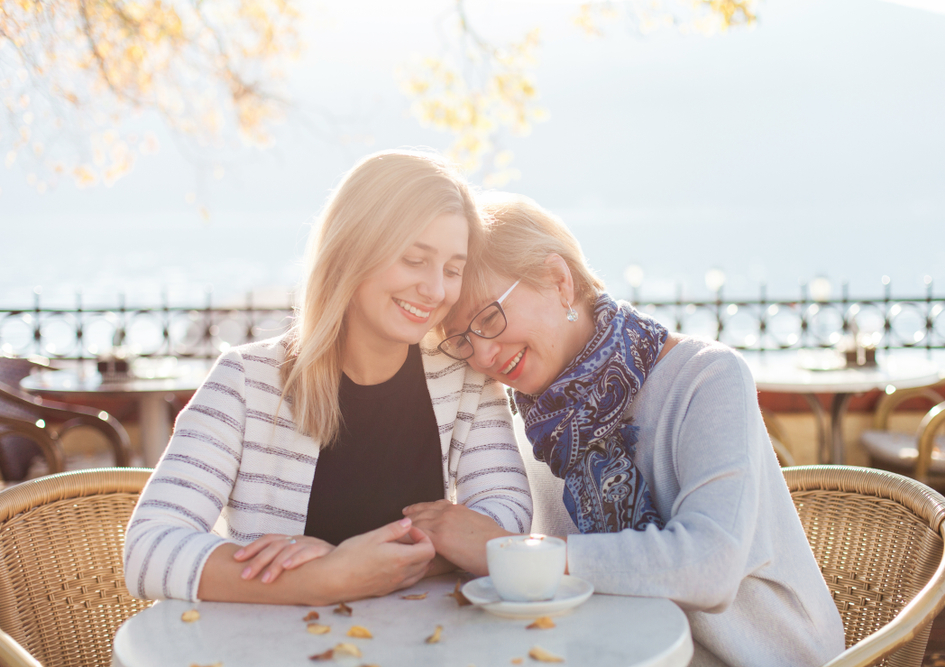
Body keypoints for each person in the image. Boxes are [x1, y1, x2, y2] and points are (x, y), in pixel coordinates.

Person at [402, 193, 845, 667]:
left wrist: (508, 553)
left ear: (559, 281)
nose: (484, 357)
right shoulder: (529, 419)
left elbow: (709, 566)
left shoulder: (708, 377)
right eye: (463, 341)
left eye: (489, 318)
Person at [123, 151, 531, 606]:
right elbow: (147, 550)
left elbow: (507, 519)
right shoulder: (244, 382)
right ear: (352, 250)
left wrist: (373, 565)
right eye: (415, 260)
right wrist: (320, 579)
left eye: (452, 270)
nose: (436, 291)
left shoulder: (465, 381)